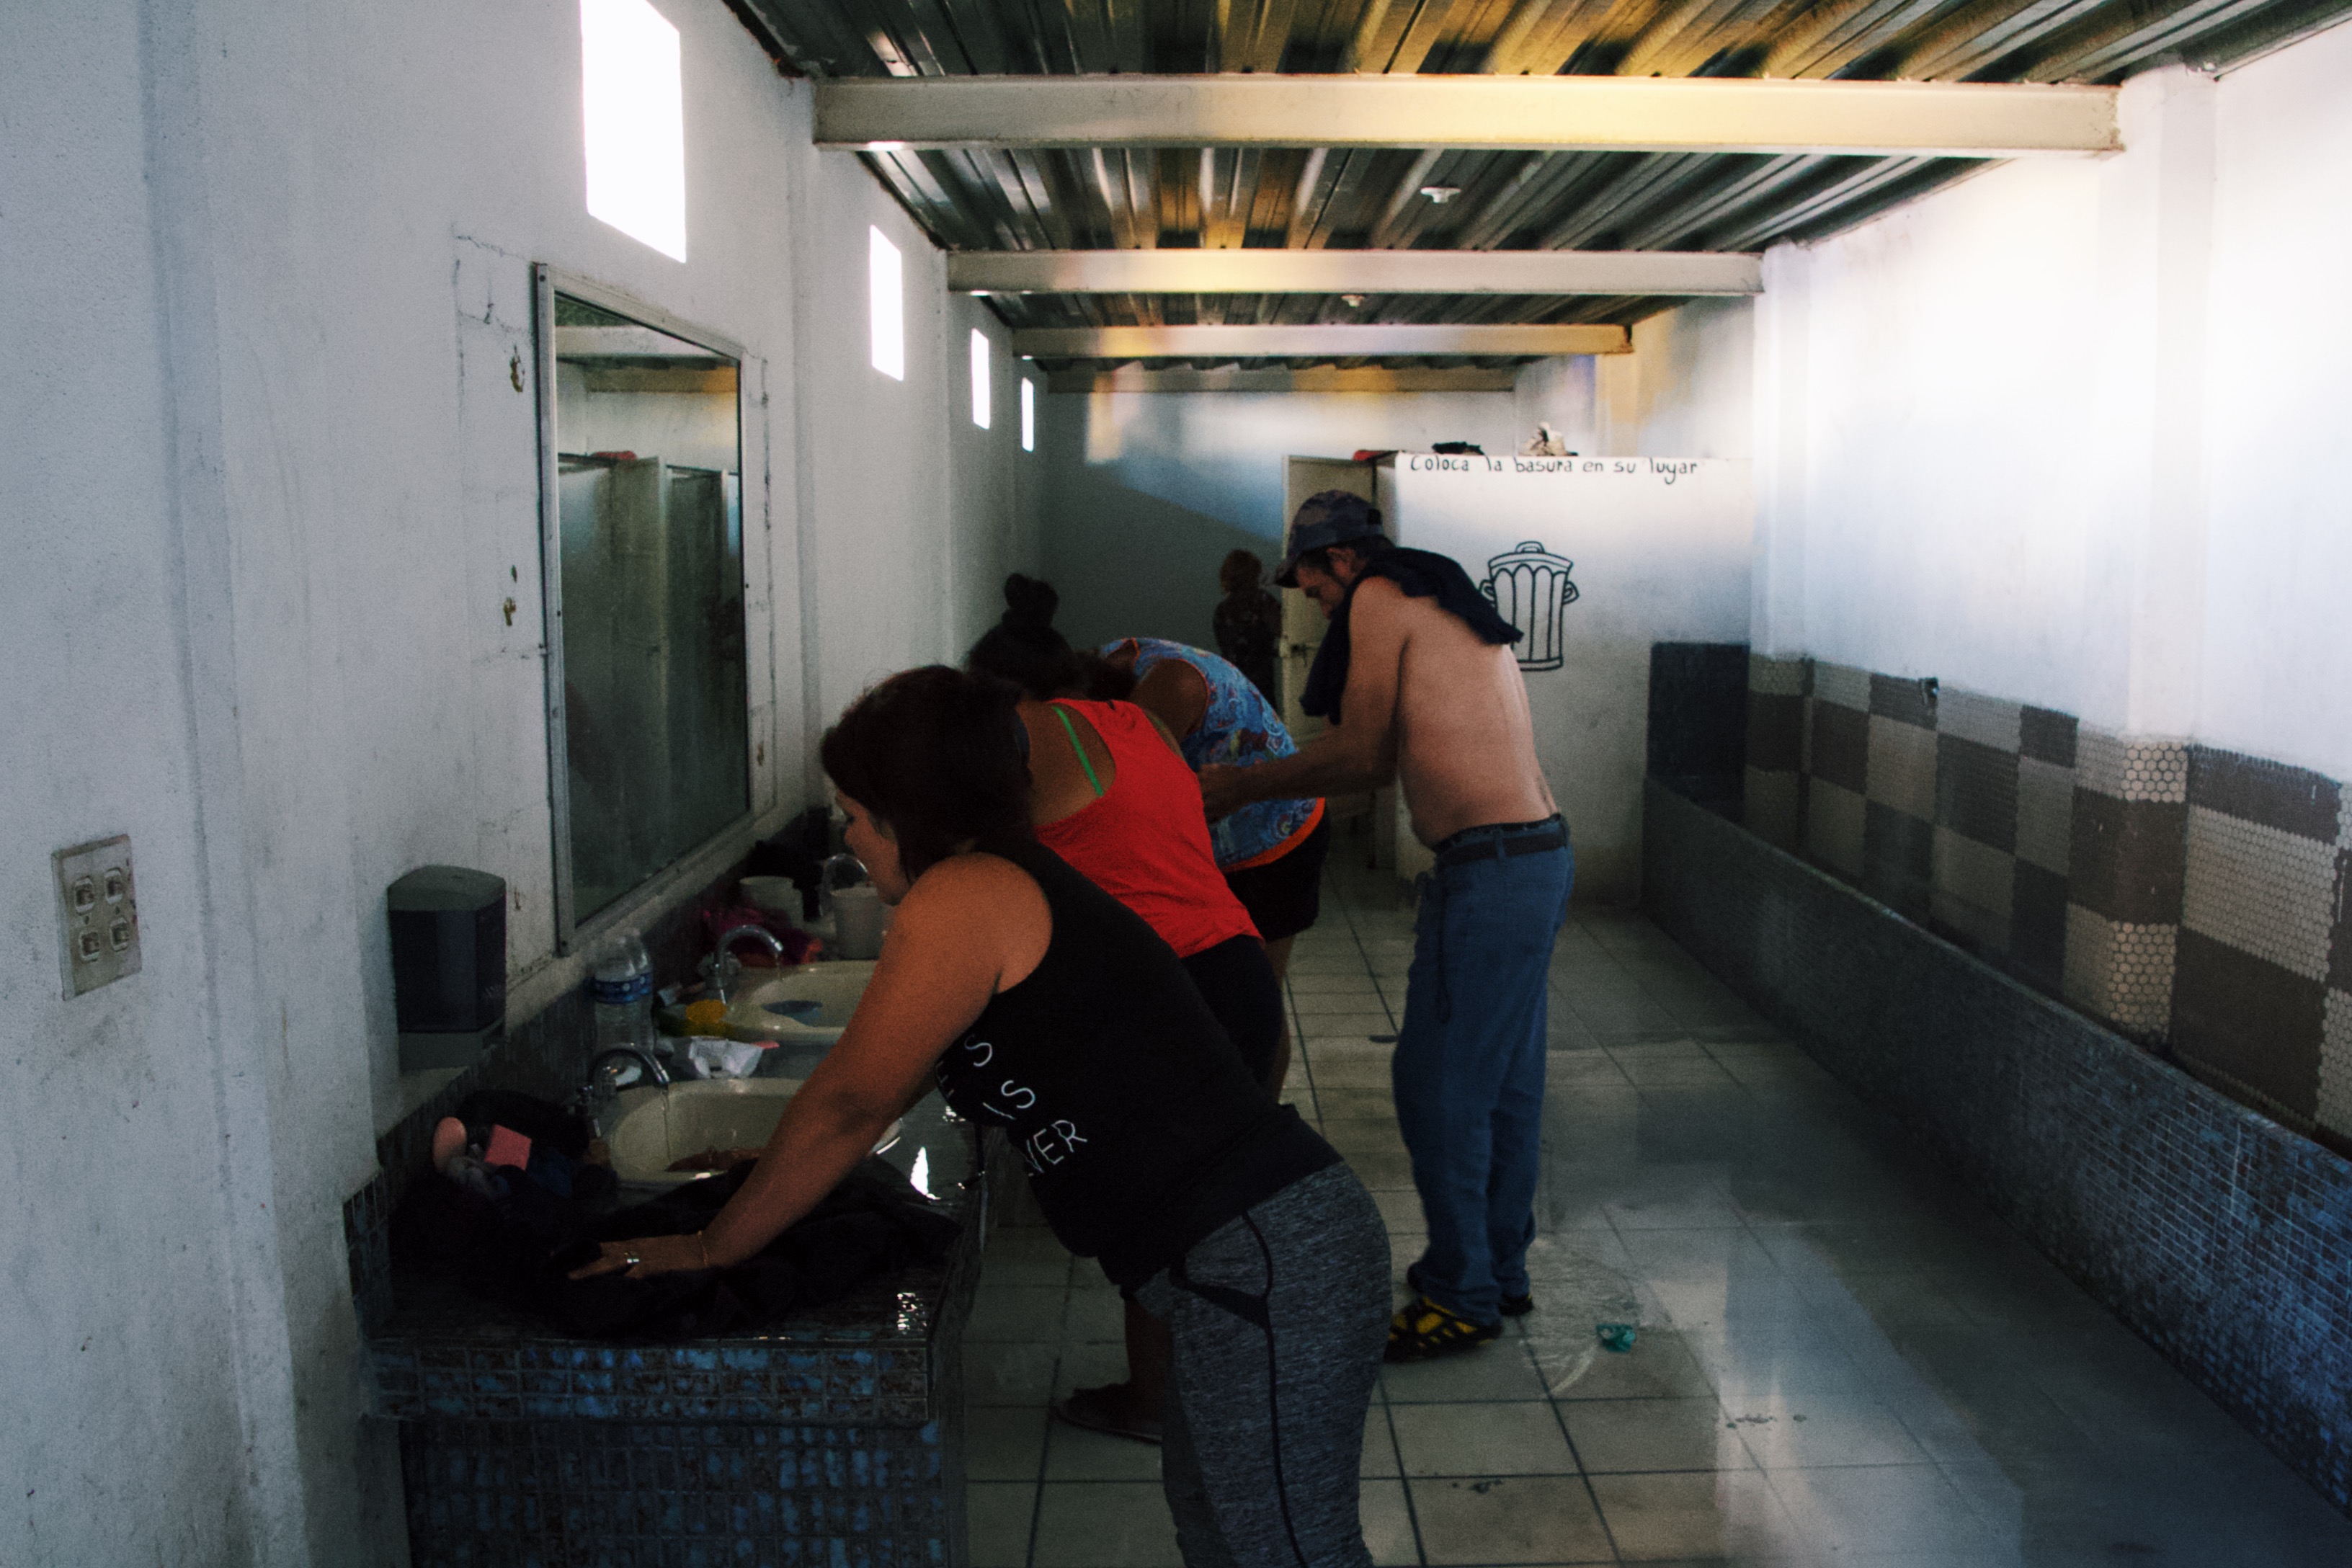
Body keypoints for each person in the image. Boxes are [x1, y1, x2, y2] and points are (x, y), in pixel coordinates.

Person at [574, 668, 1391, 1567]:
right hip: (1252, 1258)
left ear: (908, 810)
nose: (846, 834)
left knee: (1287, 1552)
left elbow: (850, 1102)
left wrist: (711, 1245)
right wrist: (769, 1164)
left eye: (853, 811)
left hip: (1270, 1258)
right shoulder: (1000, 882)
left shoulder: (965, 896)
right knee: (1221, 1529)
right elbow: (891, 1074)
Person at [1199, 491, 1572, 1363]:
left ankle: (1460, 1293)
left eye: (1313, 586)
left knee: (1436, 1086)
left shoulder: (1377, 597)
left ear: (1338, 561)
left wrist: (1238, 786)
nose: (1315, 604)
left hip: (1493, 869)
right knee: (1504, 1085)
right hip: (1535, 856)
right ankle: (1496, 1270)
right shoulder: (1436, 592)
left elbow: (1363, 756)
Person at [968, 578, 1289, 1444]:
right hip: (1236, 965)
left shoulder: (1033, 738)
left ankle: (1158, 1403)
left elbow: (975, 872)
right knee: (1218, 1199)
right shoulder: (1139, 728)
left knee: (1165, 1210)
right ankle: (1227, 1379)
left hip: (1173, 987)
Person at [1095, 636, 1331, 1096]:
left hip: (1276, 837)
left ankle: (1259, 1128)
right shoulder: (1121, 663)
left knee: (1257, 997)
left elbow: (1129, 790)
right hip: (1233, 834)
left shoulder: (1167, 687)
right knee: (1223, 997)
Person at [1212, 548, 1282, 705]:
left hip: (1232, 687)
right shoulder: (1263, 601)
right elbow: (1283, 630)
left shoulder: (1222, 611)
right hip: (1263, 688)